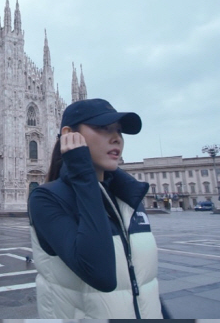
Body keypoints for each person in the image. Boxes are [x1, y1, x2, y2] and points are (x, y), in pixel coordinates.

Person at [28, 98, 166, 319]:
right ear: (69, 134)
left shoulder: (129, 197)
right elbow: (101, 275)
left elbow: (142, 284)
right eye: (103, 128)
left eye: (119, 131)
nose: (116, 138)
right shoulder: (47, 199)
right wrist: (83, 174)